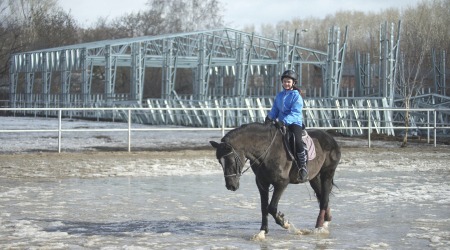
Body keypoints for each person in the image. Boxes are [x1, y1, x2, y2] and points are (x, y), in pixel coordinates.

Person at [265, 69, 308, 183]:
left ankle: (302, 166)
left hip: (294, 122)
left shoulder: (297, 96)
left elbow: (295, 113)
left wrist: (284, 121)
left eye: (288, 82)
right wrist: (270, 117)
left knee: (297, 141)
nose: (286, 84)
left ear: (293, 83)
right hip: (280, 122)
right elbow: (275, 109)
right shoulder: (280, 95)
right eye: (284, 81)